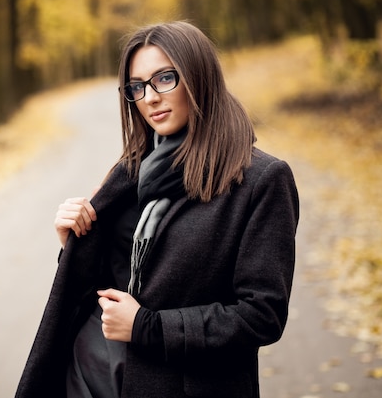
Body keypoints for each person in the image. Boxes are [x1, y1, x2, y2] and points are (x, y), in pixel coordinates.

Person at [15, 20, 299, 398]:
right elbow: (108, 281)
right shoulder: (132, 169)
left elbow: (262, 315)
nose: (149, 97)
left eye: (165, 79)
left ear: (199, 78)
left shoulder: (261, 180)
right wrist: (74, 245)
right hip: (93, 375)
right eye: (137, 86)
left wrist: (148, 327)